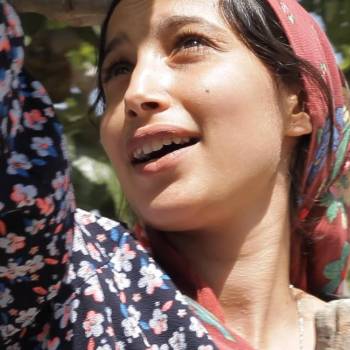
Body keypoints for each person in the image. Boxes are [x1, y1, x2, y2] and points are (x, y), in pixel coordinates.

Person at [1, 0, 349, 349]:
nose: (136, 92)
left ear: (300, 103)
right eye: (118, 68)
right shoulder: (72, 284)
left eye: (189, 43)